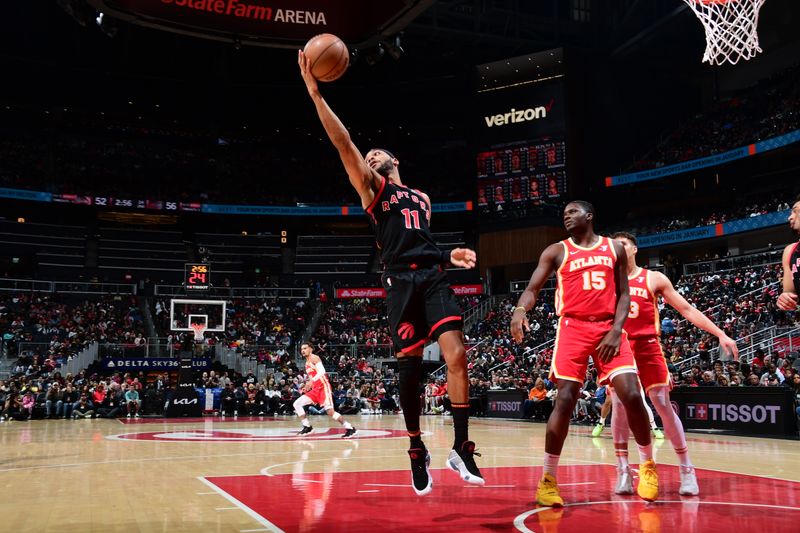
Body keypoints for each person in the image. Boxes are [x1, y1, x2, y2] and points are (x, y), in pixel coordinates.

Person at [298, 52, 483, 495]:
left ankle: (461, 446)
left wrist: (449, 254)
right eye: (368, 154)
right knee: (411, 372)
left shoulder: (420, 198)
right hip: (399, 282)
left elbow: (421, 238)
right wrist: (315, 93)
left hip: (433, 275)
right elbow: (344, 144)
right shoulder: (370, 188)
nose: (370, 155)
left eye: (377, 152)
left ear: (394, 159)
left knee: (457, 355)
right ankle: (417, 448)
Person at [511, 201, 658, 507]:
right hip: (573, 327)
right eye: (564, 213)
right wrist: (520, 309)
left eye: (573, 211)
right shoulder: (556, 251)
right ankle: (548, 480)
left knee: (631, 393)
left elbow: (624, 294)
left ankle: (647, 467)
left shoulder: (614, 249)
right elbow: (533, 287)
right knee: (564, 399)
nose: (566, 215)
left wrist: (617, 330)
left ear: (589, 216)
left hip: (608, 327)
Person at [610, 232, 739, 496]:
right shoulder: (607, 281)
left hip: (647, 346)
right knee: (620, 406)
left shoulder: (653, 278)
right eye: (615, 246)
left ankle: (686, 469)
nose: (619, 249)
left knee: (661, 402)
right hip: (619, 347)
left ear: (634, 248)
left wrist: (720, 334)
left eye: (623, 244)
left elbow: (687, 310)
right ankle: (623, 470)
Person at [294, 343, 356, 438]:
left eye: (305, 348)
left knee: (330, 412)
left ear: (311, 349)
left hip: (323, 387)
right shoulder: (306, 363)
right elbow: (313, 378)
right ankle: (307, 427)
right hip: (315, 389)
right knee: (297, 404)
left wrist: (312, 381)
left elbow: (322, 371)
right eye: (302, 349)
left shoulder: (314, 358)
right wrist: (307, 386)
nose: (303, 350)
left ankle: (350, 428)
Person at [777, 195, 799, 311]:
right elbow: (791, 298)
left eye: (795, 212)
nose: (790, 217)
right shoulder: (789, 252)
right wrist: (785, 299)